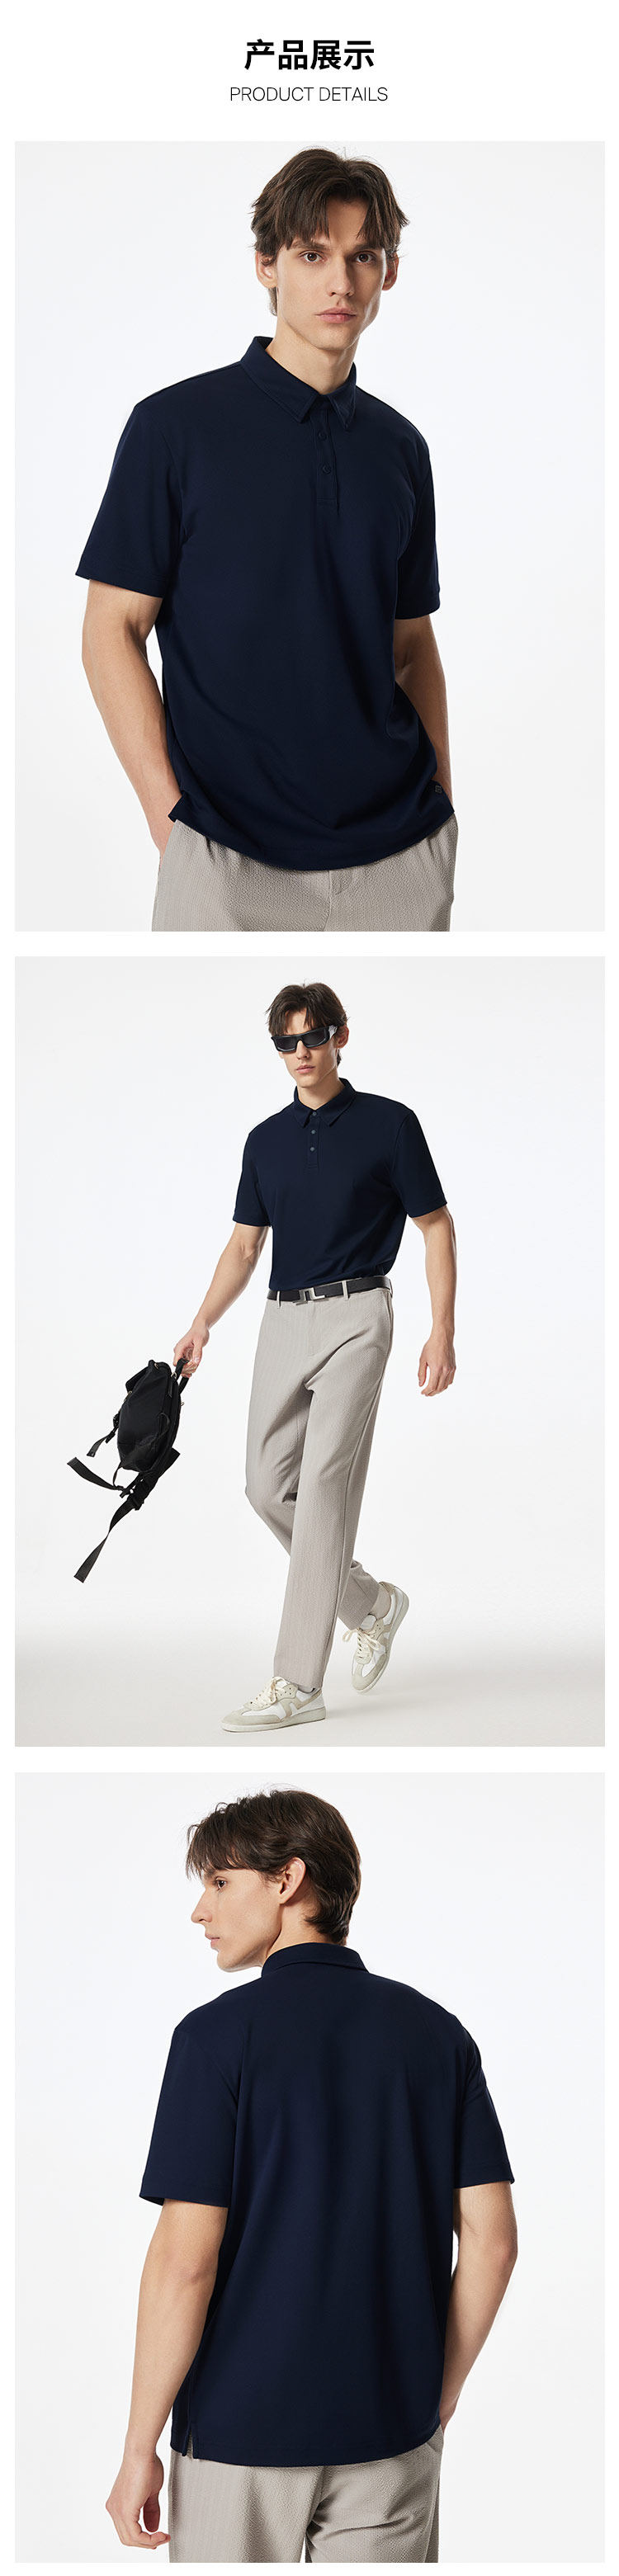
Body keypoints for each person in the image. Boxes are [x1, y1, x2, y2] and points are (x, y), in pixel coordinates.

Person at [105, 1786, 517, 2563]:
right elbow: (492, 2245)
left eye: (219, 1881)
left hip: (239, 2432)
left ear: (287, 1880)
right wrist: (434, 2398)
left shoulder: (215, 2038)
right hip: (391, 2433)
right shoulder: (439, 2036)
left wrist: (138, 2447)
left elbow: (184, 2264)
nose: (200, 1910)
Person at [77, 147, 456, 935]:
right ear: (266, 265)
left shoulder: (400, 448)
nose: (340, 282)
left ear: (389, 273)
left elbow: (412, 644)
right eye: (313, 254)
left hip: (397, 858)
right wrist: (172, 824)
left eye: (363, 256)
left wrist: (442, 803)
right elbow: (112, 630)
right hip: (225, 858)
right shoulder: (174, 429)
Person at [173, 980, 456, 1731]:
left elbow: (436, 1226)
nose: (300, 1052)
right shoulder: (264, 1140)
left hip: (359, 1316)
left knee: (325, 1487)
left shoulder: (390, 1124)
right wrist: (202, 1322)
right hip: (282, 1318)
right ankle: (372, 1605)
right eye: (286, 1041)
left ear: (340, 1037)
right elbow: (244, 1247)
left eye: (313, 1036)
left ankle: (298, 1683)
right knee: (266, 1487)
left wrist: (441, 1329)